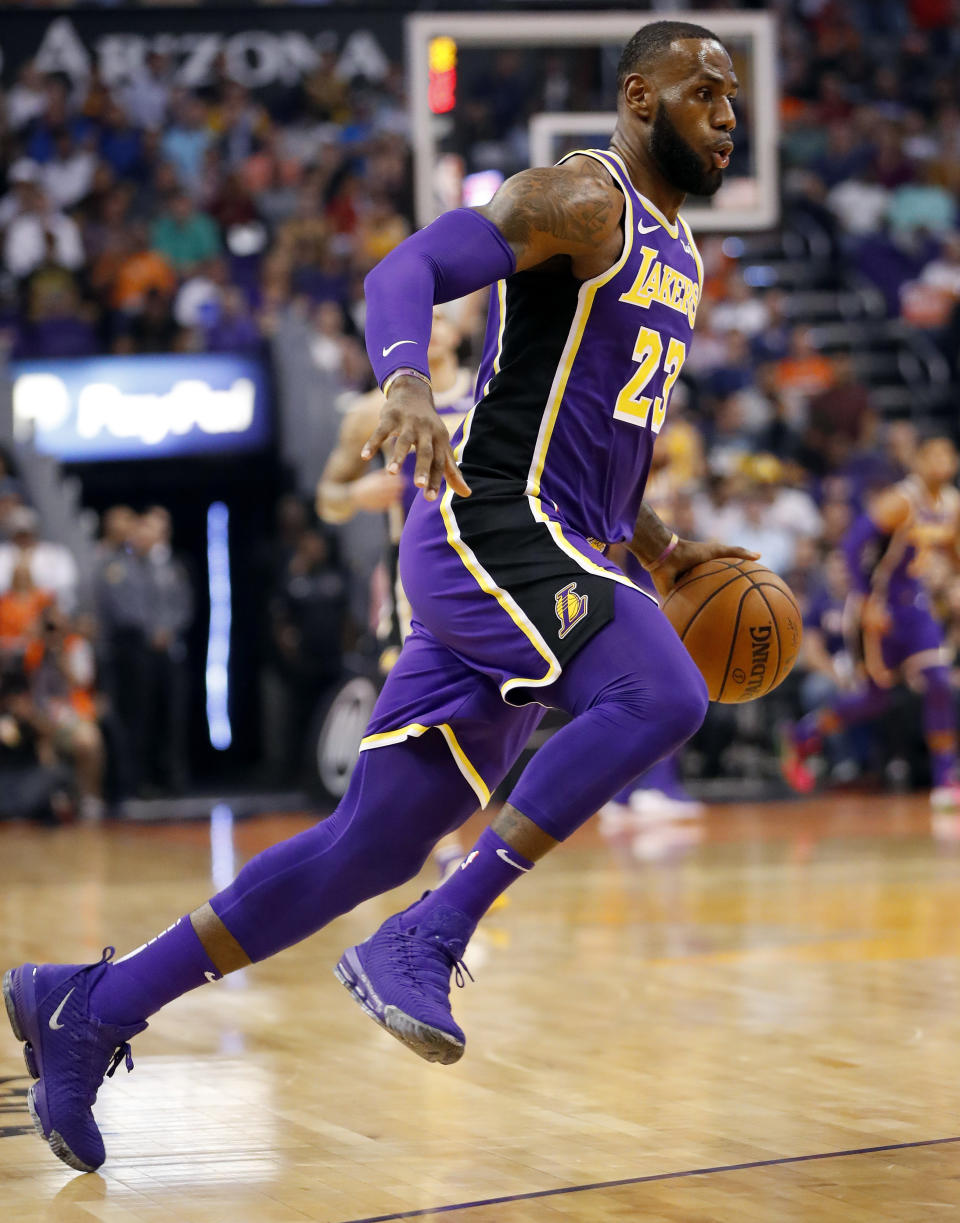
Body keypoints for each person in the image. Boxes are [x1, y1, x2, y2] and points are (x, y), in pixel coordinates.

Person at [3, 21, 756, 1173]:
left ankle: (91, 1003)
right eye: (704, 88)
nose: (727, 110)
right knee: (662, 690)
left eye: (735, 95)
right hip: (489, 520)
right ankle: (436, 929)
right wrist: (406, 373)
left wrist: (654, 541)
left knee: (370, 841)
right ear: (637, 95)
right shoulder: (583, 200)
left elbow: (597, 420)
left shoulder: (683, 251)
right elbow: (399, 270)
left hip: (563, 539)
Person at [318, 308, 478, 878]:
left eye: (438, 315)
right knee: (427, 716)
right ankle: (447, 850)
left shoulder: (494, 393)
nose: (426, 323)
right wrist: (359, 494)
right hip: (421, 583)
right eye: (418, 315)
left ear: (461, 330)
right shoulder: (371, 410)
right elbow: (326, 498)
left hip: (499, 571)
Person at [782, 433, 960, 807]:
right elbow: (850, 547)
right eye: (936, 453)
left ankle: (947, 777)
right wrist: (865, 602)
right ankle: (804, 734)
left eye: (950, 453)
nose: (945, 460)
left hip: (918, 607)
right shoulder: (901, 501)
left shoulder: (953, 503)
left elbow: (951, 551)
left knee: (939, 681)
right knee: (874, 699)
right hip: (881, 610)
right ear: (919, 462)